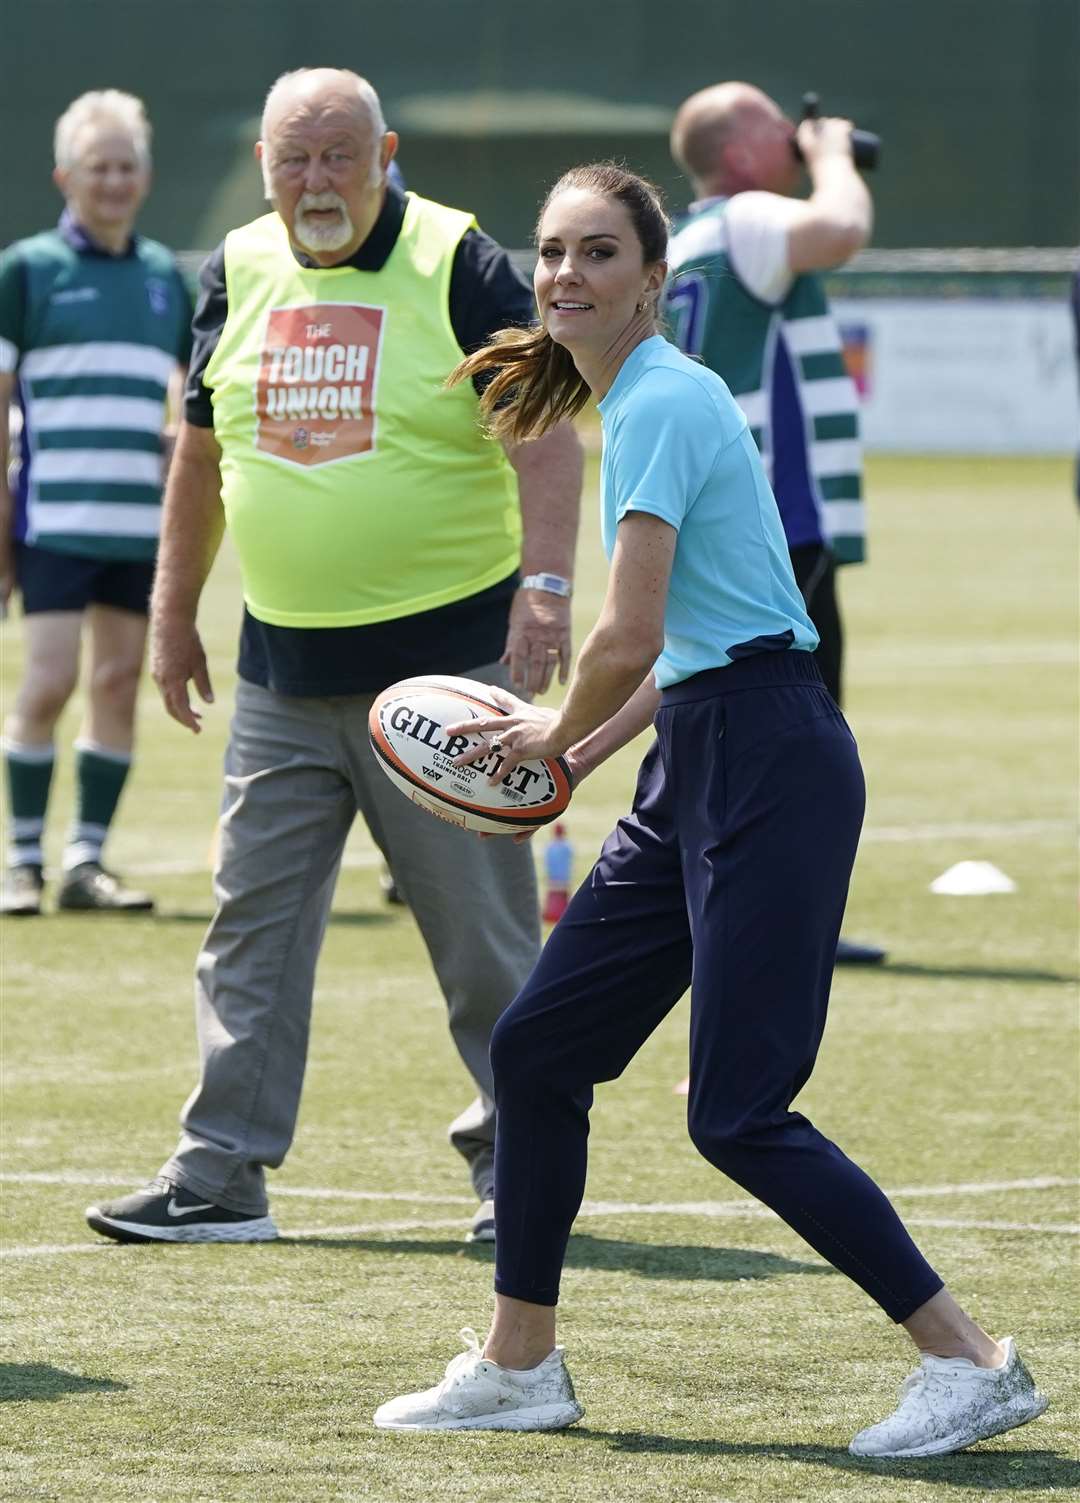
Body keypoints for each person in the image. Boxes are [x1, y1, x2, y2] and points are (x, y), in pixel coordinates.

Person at [374, 164, 1047, 1458]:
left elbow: (626, 633)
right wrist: (571, 753)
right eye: (552, 251)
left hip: (771, 761)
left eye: (598, 253)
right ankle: (521, 1362)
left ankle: (970, 1360)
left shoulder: (667, 402)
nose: (565, 274)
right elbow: (682, 655)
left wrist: (546, 733)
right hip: (704, 752)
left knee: (737, 1107)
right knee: (537, 1050)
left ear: (652, 278)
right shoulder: (641, 400)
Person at [84, 68, 583, 1247]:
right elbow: (200, 458)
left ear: (386, 153)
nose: (315, 182)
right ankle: (220, 1178)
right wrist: (172, 612)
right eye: (292, 160)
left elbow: (550, 440)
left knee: (484, 945)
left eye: (338, 157)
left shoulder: (462, 263)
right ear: (264, 164)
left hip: (452, 673)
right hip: (280, 677)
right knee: (249, 930)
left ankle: (522, 1165)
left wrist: (547, 592)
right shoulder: (236, 266)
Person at [665, 81, 883, 966]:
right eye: (776, 127)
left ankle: (756, 917)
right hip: (775, 521)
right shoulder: (747, 218)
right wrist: (831, 155)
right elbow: (844, 229)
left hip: (731, 520)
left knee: (749, 733)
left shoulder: (688, 241)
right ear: (739, 153)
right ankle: (770, 927)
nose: (794, 141)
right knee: (796, 742)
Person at [0, 90, 193, 916]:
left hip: (136, 528)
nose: (113, 182)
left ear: (144, 177)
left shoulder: (162, 279)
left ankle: (86, 864)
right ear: (65, 175)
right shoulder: (27, 269)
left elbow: (191, 404)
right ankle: (20, 860)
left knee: (118, 681)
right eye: (97, 168)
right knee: (47, 681)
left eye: (126, 167)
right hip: (52, 524)